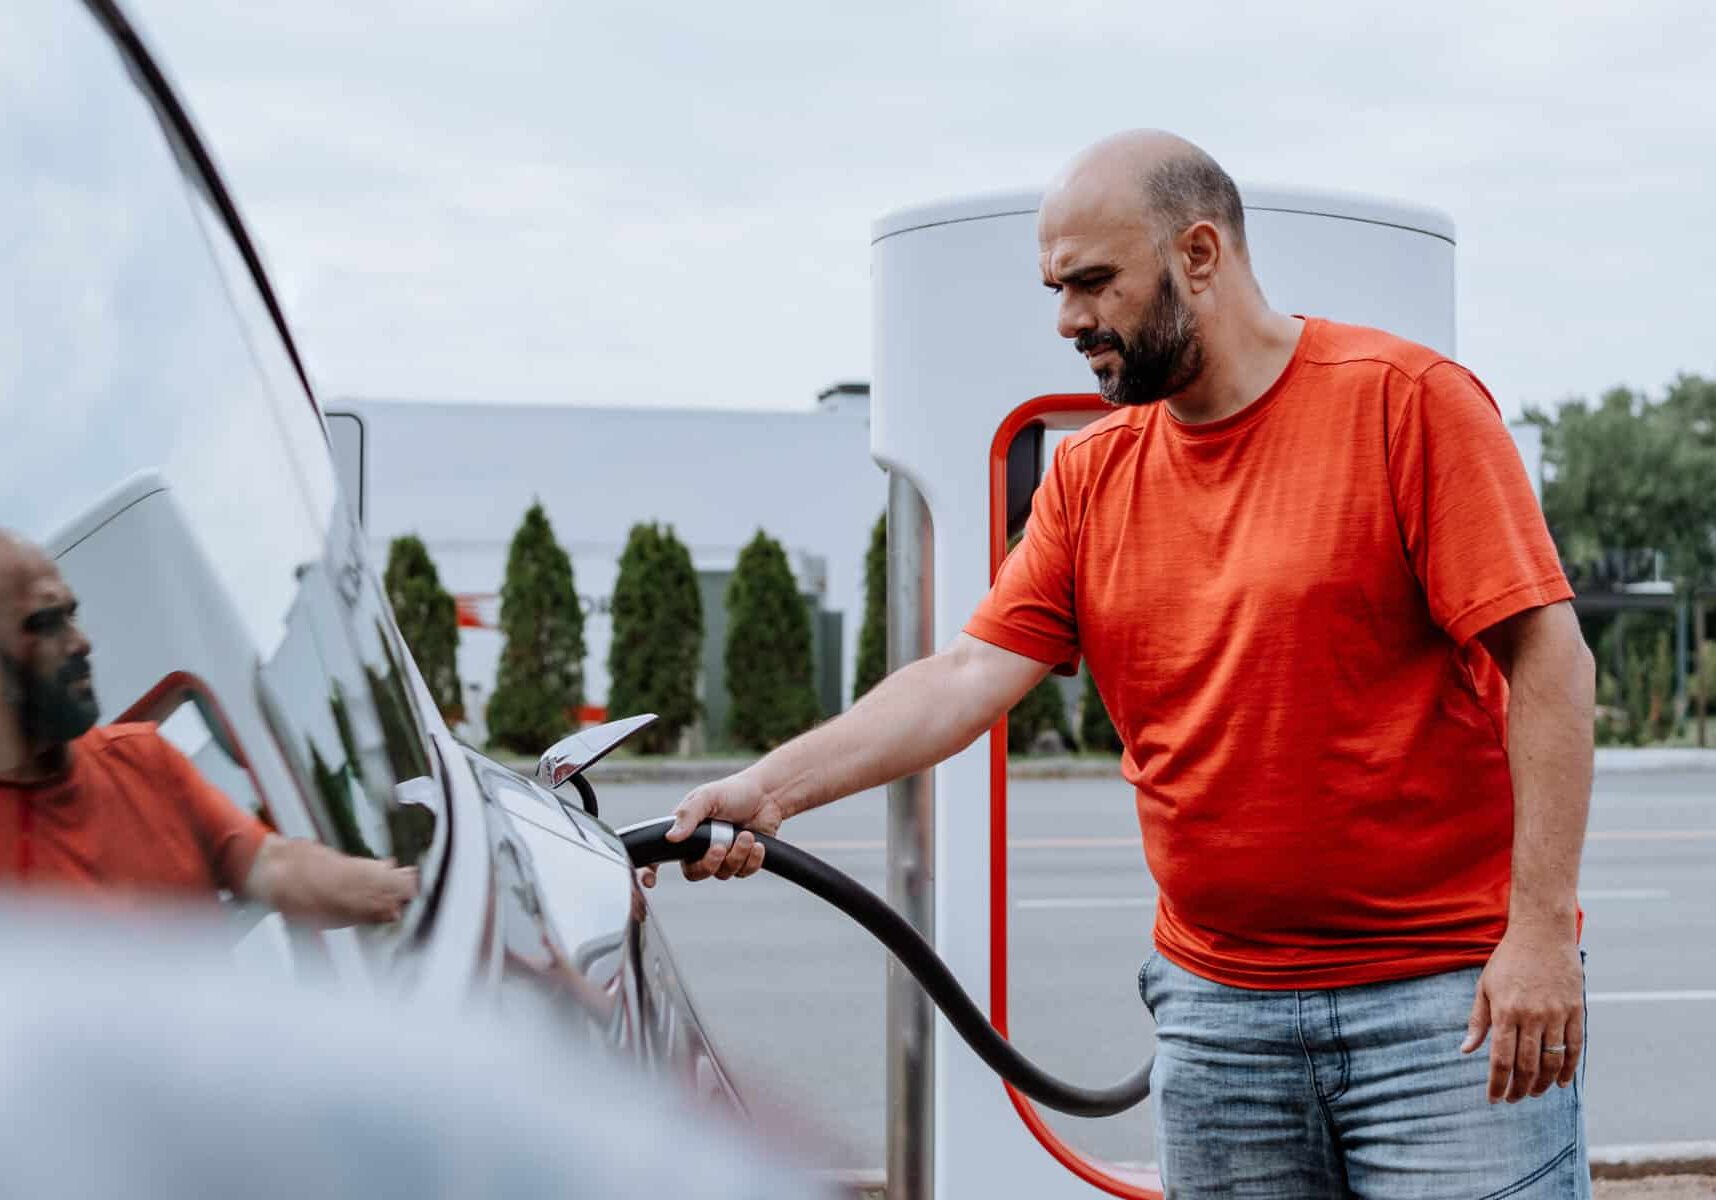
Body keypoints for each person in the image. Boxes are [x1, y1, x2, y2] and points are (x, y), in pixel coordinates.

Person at [656, 131, 1596, 1197]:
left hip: (1446, 1007)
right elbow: (965, 675)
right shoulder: (1095, 476)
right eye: (1056, 287)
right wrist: (766, 789)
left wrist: (1539, 936)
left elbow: (1550, 663)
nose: (1067, 320)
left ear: (1201, 254)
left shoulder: (1407, 404)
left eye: (1094, 283)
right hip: (1218, 1014)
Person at [0, 530, 418, 926]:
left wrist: (396, 888)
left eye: (71, 616)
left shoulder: (143, 758)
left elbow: (270, 865)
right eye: (45, 623)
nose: (81, 642)